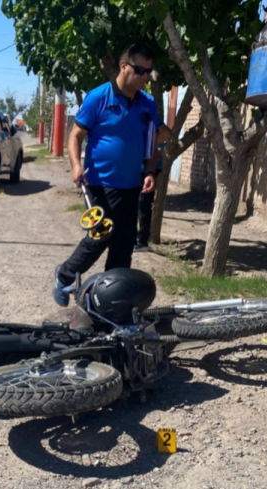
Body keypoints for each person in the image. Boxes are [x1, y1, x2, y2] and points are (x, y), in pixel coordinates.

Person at [52, 43, 172, 307]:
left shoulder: (147, 104)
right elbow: (75, 136)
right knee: (102, 235)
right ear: (123, 66)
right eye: (139, 70)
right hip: (101, 182)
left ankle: (111, 300)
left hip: (132, 184)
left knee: (124, 244)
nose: (144, 77)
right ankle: (64, 275)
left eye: (148, 72)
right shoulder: (98, 97)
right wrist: (75, 165)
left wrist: (150, 171)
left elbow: (152, 142)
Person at [134, 146, 164, 252]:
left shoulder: (153, 135)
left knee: (143, 204)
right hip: (133, 167)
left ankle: (141, 241)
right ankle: (132, 239)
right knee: (133, 204)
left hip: (148, 169)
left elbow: (159, 145)